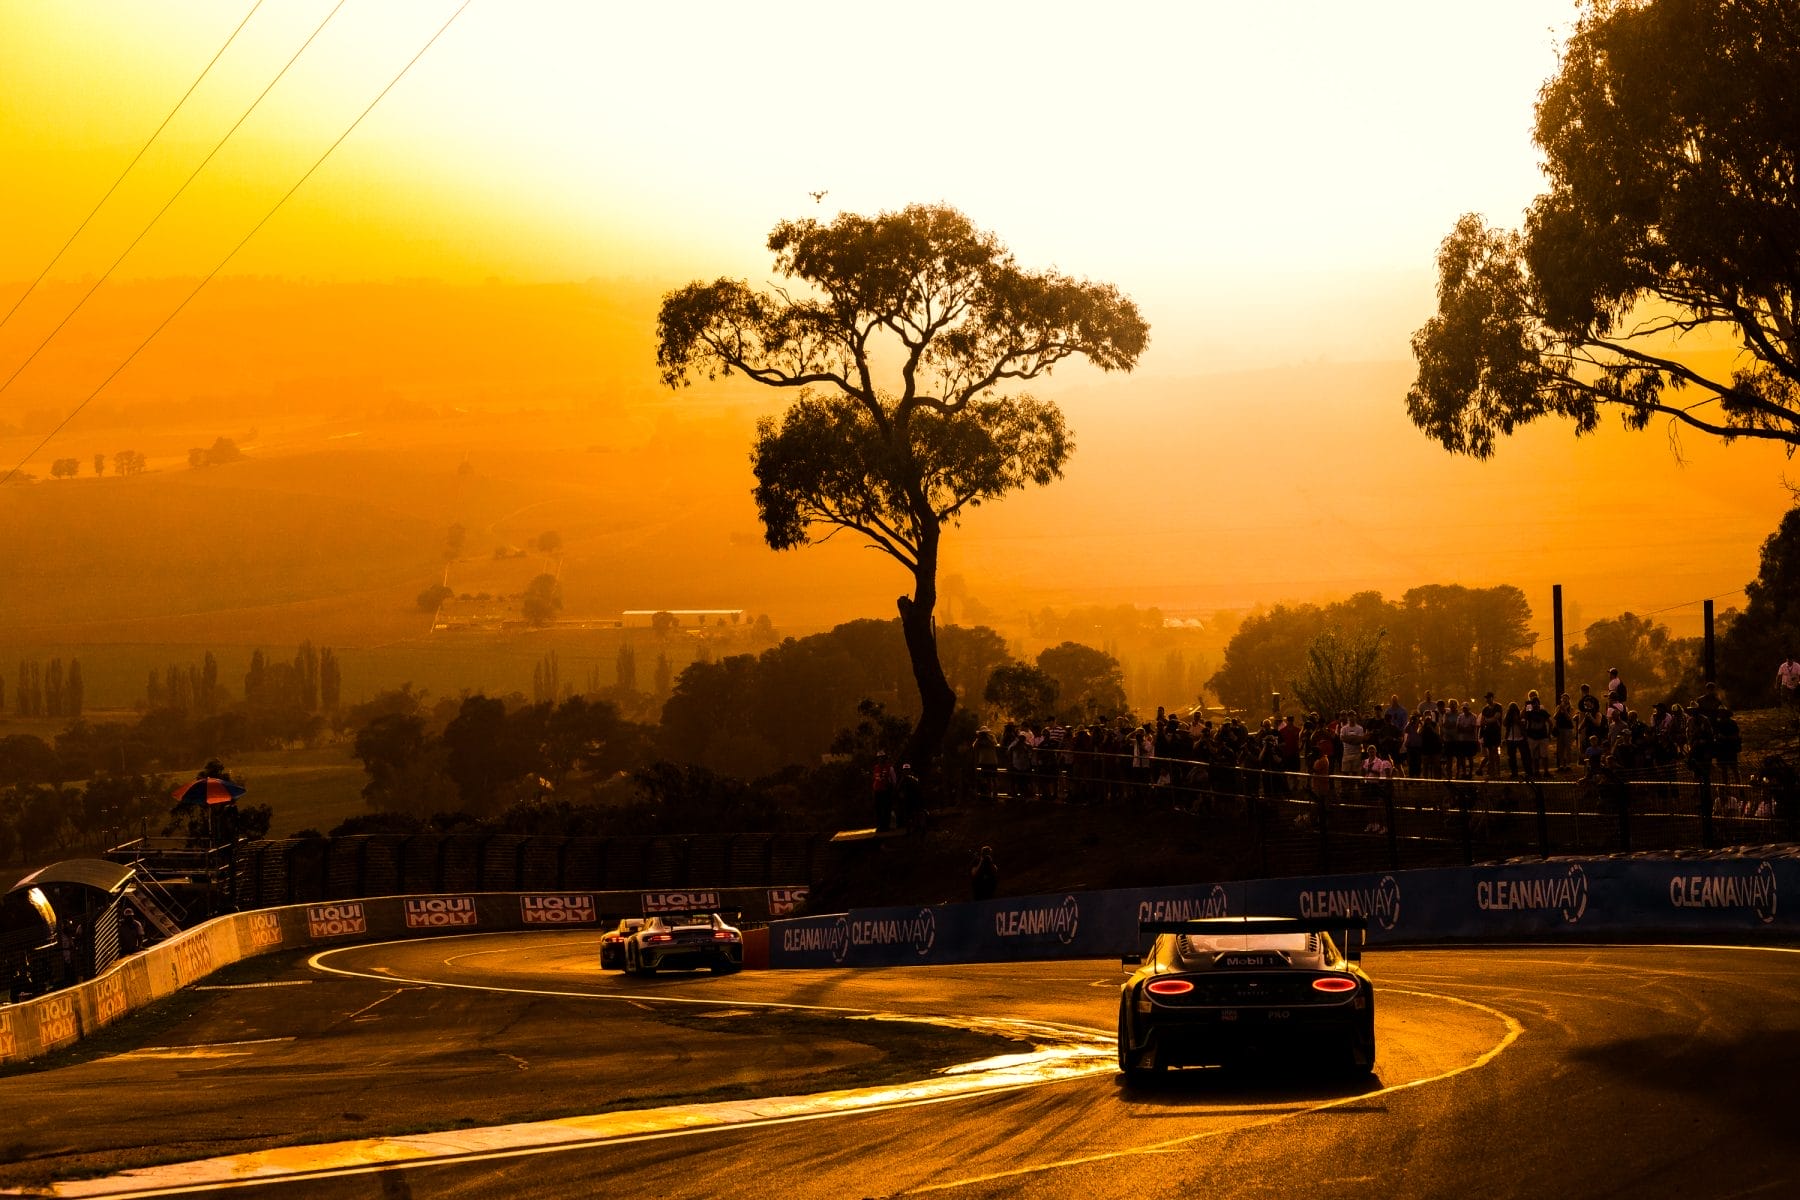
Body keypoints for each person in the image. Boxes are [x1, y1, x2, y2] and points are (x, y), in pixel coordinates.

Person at [871, 751, 898, 831]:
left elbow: (894, 781)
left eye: (882, 757)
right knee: (878, 809)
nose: (881, 759)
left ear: (885, 758)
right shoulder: (875, 767)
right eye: (879, 757)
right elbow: (875, 780)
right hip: (877, 792)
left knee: (887, 809)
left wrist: (893, 790)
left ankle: (886, 826)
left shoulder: (890, 768)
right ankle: (879, 826)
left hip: (886, 791)